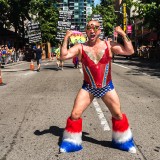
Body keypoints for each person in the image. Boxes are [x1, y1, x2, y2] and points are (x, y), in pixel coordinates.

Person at [59, 20, 136, 154]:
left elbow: (130, 51)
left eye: (95, 27)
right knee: (75, 114)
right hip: (88, 87)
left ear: (99, 31)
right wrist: (66, 37)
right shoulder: (80, 47)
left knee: (118, 114)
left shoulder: (109, 45)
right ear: (86, 31)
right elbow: (63, 56)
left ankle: (123, 141)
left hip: (107, 87)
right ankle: (71, 142)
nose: (92, 29)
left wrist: (123, 33)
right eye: (89, 27)